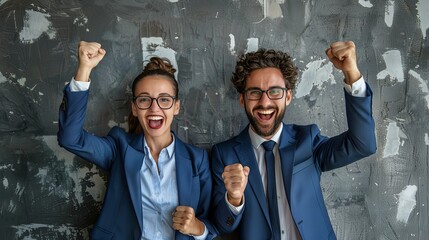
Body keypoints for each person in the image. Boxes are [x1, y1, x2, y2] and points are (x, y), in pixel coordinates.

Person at [211, 41, 376, 240]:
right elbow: (223, 226)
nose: (265, 102)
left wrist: (351, 73)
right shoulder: (224, 154)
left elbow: (362, 144)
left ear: (287, 96)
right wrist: (234, 198)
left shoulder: (308, 140)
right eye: (255, 92)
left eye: (274, 92)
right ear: (242, 99)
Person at [58, 41, 217, 240]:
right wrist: (84, 69)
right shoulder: (120, 148)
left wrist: (197, 228)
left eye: (164, 99)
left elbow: (209, 222)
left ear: (176, 107)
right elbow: (70, 139)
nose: (154, 109)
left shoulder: (197, 159)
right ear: (134, 108)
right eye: (144, 99)